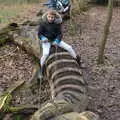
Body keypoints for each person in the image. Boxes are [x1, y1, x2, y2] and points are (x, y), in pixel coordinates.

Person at [38, 10, 81, 77]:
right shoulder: (43, 23)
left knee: (69, 47)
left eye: (52, 17)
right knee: (46, 53)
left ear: (54, 18)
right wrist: (43, 38)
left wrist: (57, 41)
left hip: (55, 40)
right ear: (47, 16)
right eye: (49, 17)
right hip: (47, 41)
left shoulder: (57, 24)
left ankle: (77, 59)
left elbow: (60, 34)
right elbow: (39, 34)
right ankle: (41, 68)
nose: (50, 18)